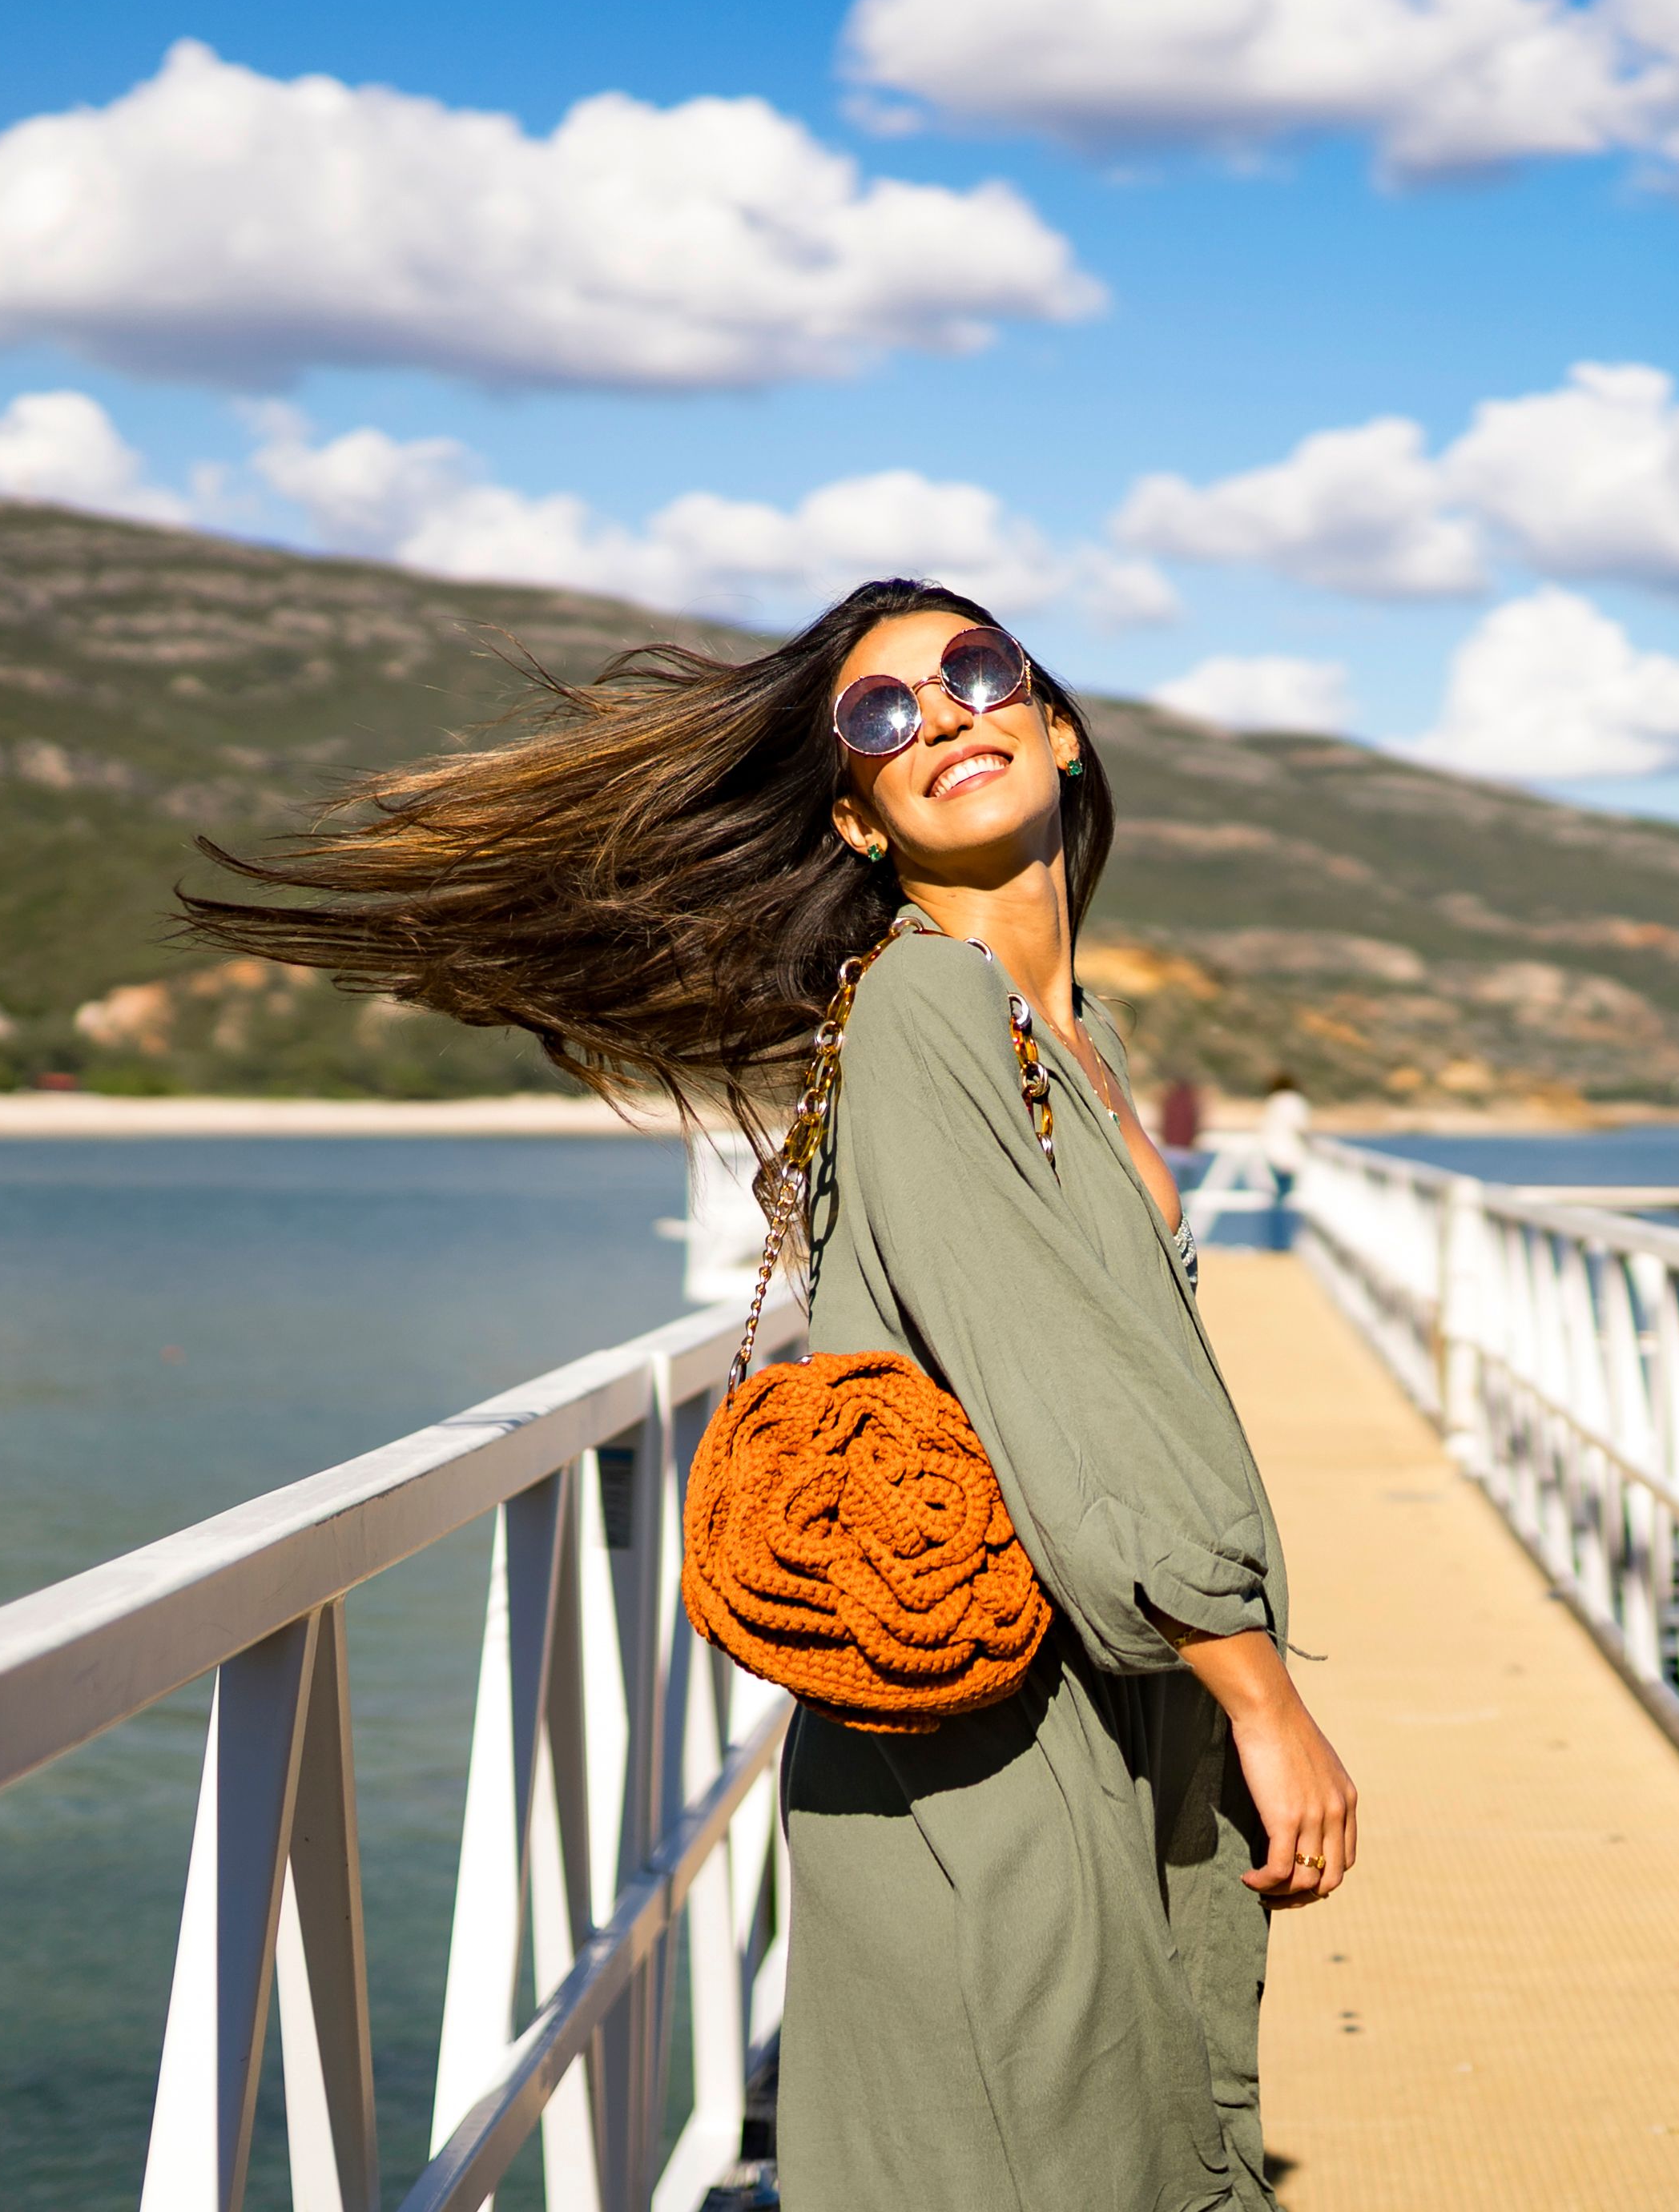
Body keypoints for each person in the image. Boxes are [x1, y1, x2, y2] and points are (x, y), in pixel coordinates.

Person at [180, 577, 1356, 2212]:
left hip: (1097, 1710)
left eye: (976, 669)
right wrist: (1262, 1692)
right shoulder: (934, 1008)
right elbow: (1069, 1394)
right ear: (861, 823)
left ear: (1058, 723)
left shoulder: (1056, 1035)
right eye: (883, 714)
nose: (942, 711)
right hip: (1001, 1752)